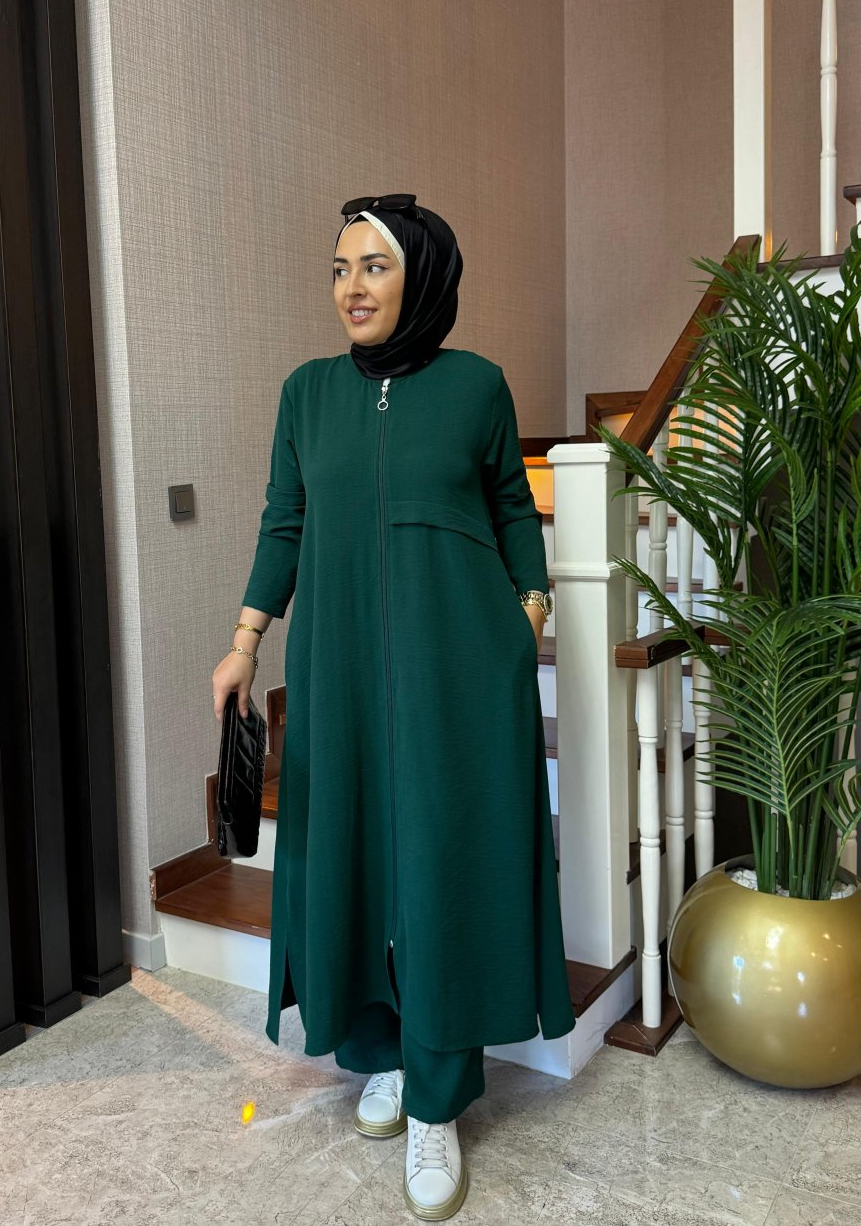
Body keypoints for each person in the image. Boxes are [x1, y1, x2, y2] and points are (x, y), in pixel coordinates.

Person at [212, 193, 574, 1220]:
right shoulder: (307, 393)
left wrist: (527, 612)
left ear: (422, 276)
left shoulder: (475, 386)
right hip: (338, 670)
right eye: (339, 269)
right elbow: (284, 521)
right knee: (357, 856)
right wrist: (244, 642)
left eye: (372, 266)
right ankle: (382, 1053)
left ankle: (437, 1097)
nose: (351, 288)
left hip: (457, 666)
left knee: (440, 862)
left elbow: (511, 505)